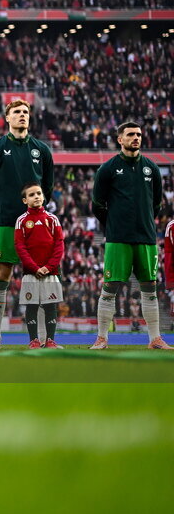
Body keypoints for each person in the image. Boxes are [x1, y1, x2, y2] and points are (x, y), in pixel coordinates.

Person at [0, 99, 54, 349]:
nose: (22, 115)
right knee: (1, 274)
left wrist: (36, 215)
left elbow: (48, 187)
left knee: (40, 277)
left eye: (25, 112)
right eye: (16, 112)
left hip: (38, 225)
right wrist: (3, 211)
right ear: (7, 118)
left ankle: (44, 338)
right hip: (8, 222)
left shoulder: (41, 150)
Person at [89, 122, 171, 349]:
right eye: (131, 135)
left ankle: (155, 339)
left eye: (138, 135)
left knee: (149, 287)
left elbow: (156, 204)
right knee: (110, 286)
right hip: (118, 239)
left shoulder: (151, 168)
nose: (136, 138)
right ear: (120, 139)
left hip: (146, 238)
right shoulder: (107, 168)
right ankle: (102, 338)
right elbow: (97, 204)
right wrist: (114, 224)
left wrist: (144, 222)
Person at [14, 183, 65, 349]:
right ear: (24, 200)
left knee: (51, 306)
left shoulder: (52, 219)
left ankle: (50, 340)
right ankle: (34, 340)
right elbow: (20, 247)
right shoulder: (21, 221)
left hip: (50, 272)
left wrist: (49, 267)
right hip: (31, 273)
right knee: (32, 305)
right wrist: (35, 268)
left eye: (38, 193)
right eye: (31, 195)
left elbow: (59, 245)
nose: (36, 197)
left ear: (43, 197)